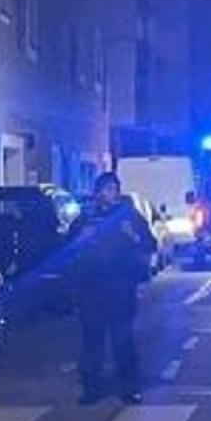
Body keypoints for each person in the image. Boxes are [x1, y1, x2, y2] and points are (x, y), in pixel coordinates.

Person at [67, 172, 156, 406]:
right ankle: (91, 388)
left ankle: (129, 388)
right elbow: (68, 248)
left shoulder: (128, 216)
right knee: (92, 340)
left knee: (122, 339)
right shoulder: (86, 218)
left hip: (121, 286)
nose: (111, 194)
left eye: (114, 189)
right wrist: (81, 239)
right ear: (97, 192)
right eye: (107, 189)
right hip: (91, 288)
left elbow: (150, 243)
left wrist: (132, 235)